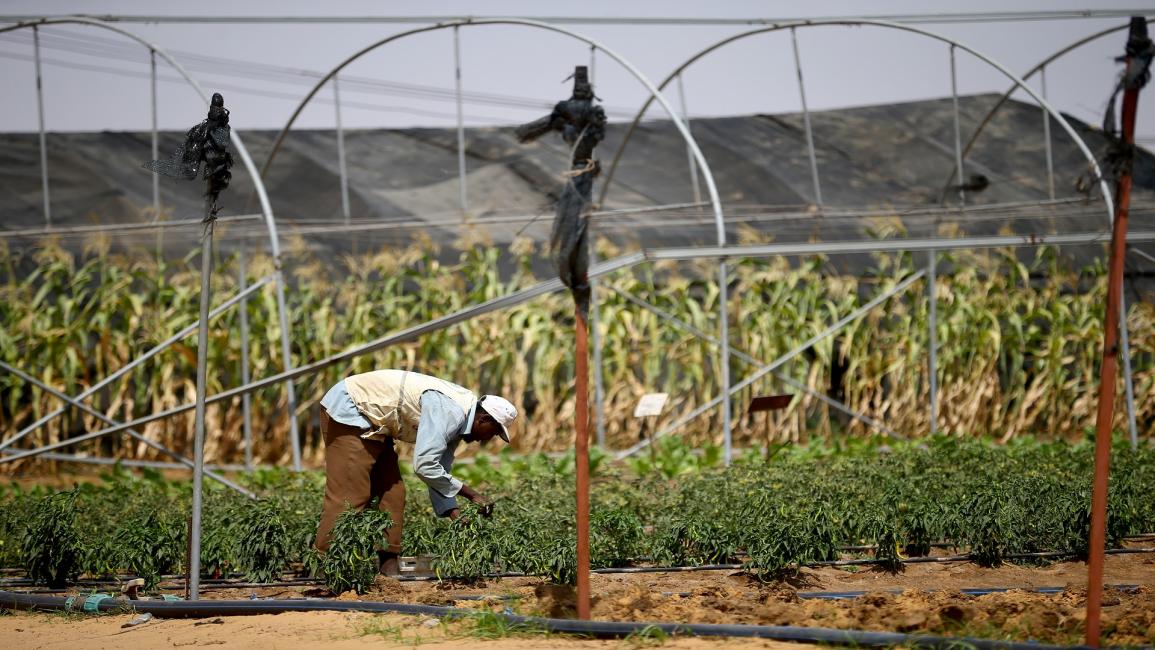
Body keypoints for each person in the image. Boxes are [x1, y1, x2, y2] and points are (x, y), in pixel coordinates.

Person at [313, 369, 518, 576]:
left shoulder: (460, 421)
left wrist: (453, 512)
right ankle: (324, 567)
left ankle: (388, 568)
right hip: (352, 409)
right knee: (351, 495)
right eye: (492, 432)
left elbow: (438, 470)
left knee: (393, 495)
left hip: (377, 423)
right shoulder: (451, 413)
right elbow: (425, 466)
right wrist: (472, 494)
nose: (487, 440)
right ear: (483, 419)